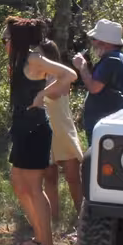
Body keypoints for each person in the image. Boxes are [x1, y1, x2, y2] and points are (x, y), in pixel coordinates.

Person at [4, 17, 62, 245]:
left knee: (35, 188)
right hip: (21, 128)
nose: (4, 41)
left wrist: (42, 94)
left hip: (36, 128)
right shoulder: (17, 60)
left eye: (7, 37)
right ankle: (39, 236)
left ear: (17, 39)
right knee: (19, 183)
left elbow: (68, 75)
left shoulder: (34, 58)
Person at [39, 37, 83, 221]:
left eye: (39, 55)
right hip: (46, 131)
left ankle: (83, 217)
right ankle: (52, 218)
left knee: (73, 177)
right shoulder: (37, 77)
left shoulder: (61, 76)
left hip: (63, 131)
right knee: (49, 178)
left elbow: (55, 93)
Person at [72, 19, 123, 147]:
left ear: (105, 43)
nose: (92, 43)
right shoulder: (118, 58)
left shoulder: (112, 60)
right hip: (107, 123)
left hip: (104, 125)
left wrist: (82, 67)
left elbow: (94, 87)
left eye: (94, 39)